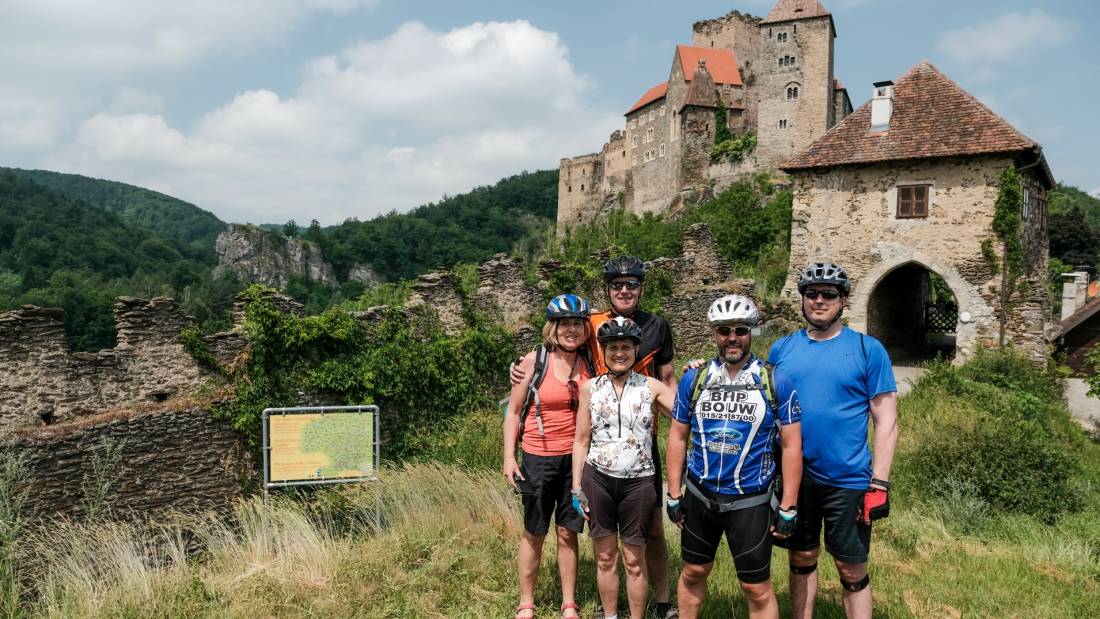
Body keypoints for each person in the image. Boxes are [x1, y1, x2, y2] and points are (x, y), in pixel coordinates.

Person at [513, 256, 678, 618]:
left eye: (632, 284)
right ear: (607, 289)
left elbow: (669, 382)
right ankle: (584, 607)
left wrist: (698, 379)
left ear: (642, 287)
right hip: (593, 453)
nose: (624, 290)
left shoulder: (657, 326)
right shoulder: (592, 324)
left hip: (640, 445)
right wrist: (521, 366)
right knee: (594, 545)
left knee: (650, 532)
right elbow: (561, 344)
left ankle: (663, 601)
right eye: (617, 285)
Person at [769, 262, 899, 619]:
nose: (819, 300)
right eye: (812, 294)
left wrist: (880, 483)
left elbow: (886, 420)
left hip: (849, 478)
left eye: (829, 294)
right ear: (803, 300)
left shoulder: (866, 349)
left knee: (850, 568)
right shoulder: (782, 350)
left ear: (843, 301)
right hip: (796, 477)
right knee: (802, 557)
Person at [666, 294, 803, 619]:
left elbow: (792, 446)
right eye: (724, 330)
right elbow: (677, 436)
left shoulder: (775, 381)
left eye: (740, 330)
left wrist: (789, 506)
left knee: (756, 588)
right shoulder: (694, 379)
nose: (732, 338)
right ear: (714, 333)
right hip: (700, 496)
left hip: (751, 502)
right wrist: (673, 494)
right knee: (693, 573)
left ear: (751, 332)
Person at [570, 316, 677, 619]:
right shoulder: (590, 388)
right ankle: (610, 615)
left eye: (626, 347)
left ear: (636, 349)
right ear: (603, 350)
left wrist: (699, 375)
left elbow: (687, 413)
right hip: (598, 479)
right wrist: (576, 486)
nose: (620, 352)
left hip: (639, 483)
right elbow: (581, 440)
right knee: (605, 557)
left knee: (633, 560)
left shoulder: (651, 387)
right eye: (613, 346)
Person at [503, 293, 595, 619]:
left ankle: (568, 602)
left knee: (569, 532)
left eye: (578, 323)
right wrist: (508, 458)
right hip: (538, 458)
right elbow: (514, 413)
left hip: (577, 461)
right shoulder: (533, 361)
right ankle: (526, 600)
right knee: (535, 531)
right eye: (564, 323)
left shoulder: (591, 362)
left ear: (586, 328)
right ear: (552, 327)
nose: (571, 329)